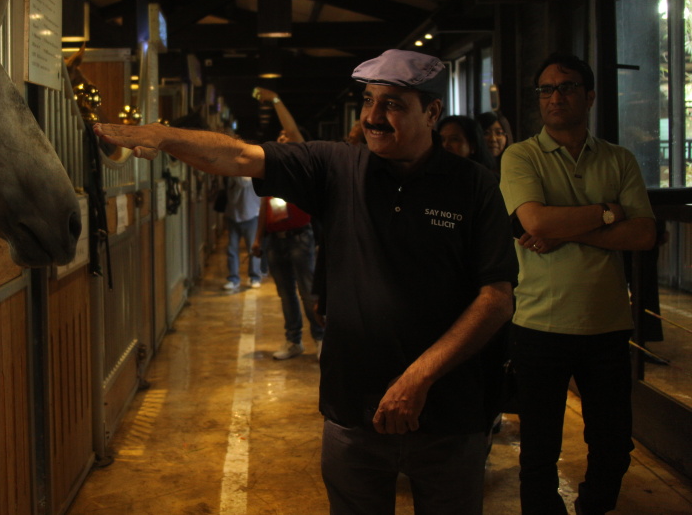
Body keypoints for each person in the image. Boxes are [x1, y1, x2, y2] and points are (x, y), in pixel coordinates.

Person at [94, 49, 518, 515]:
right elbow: (237, 156)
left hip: (448, 414)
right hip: (354, 411)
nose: (374, 116)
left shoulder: (473, 186)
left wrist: (419, 377)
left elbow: (496, 297)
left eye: (393, 104)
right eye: (369, 100)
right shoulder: (339, 168)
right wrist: (163, 135)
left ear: (432, 112)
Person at [499, 52, 656, 515]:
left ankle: (593, 508)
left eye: (566, 87)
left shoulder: (618, 159)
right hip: (539, 324)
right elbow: (535, 220)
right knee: (539, 452)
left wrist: (561, 228)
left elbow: (645, 234)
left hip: (607, 324)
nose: (554, 97)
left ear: (588, 97)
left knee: (612, 445)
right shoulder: (520, 155)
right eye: (546, 89)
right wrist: (610, 213)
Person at [250, 88, 323, 360]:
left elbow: (293, 134)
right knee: (286, 295)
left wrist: (277, 100)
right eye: (278, 137)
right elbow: (264, 208)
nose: (281, 139)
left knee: (307, 293)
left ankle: (319, 338)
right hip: (275, 241)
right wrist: (258, 238)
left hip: (299, 238)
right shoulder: (271, 174)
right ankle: (294, 341)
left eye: (285, 138)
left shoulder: (304, 168)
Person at [222, 173, 262, 291]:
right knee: (232, 249)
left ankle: (254, 277)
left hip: (251, 214)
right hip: (233, 215)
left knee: (253, 248)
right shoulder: (231, 173)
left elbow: (243, 182)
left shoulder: (251, 173)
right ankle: (234, 279)